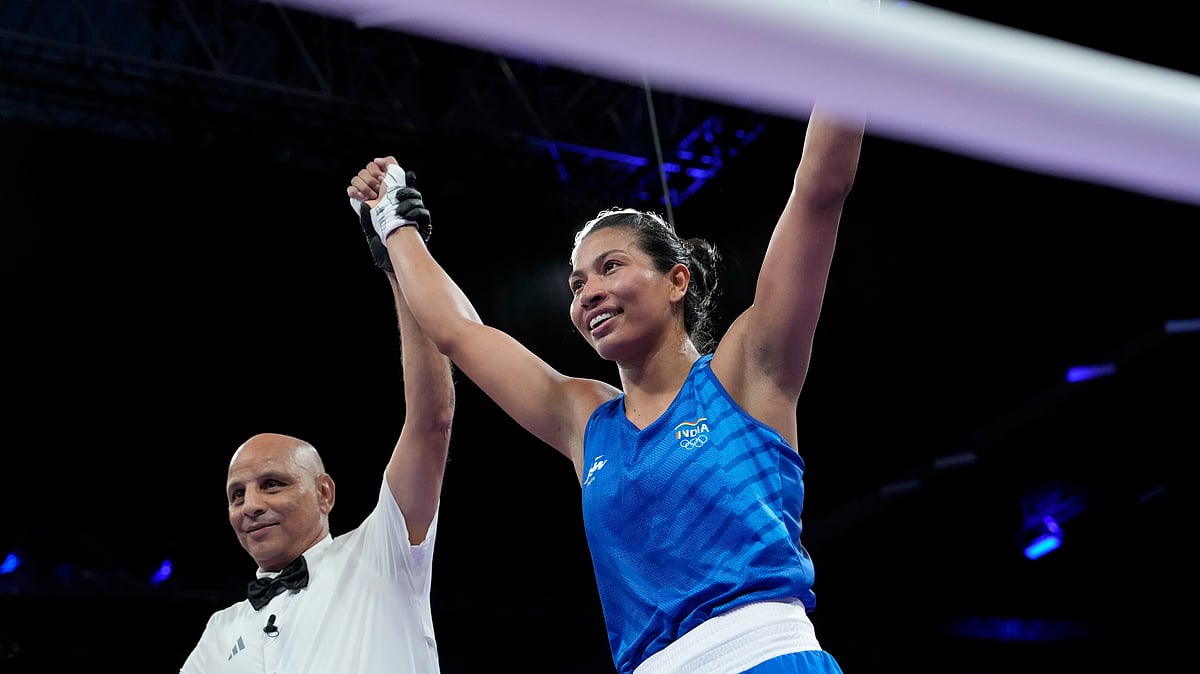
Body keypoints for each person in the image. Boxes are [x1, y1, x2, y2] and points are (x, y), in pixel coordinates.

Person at [349, 90, 863, 672]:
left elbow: (820, 191)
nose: (588, 291)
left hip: (764, 656)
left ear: (676, 281)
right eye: (575, 283)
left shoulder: (748, 371)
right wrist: (393, 219)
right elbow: (458, 332)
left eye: (610, 266)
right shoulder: (585, 419)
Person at [179, 192, 456, 673]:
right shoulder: (220, 633)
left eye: (273, 483)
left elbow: (430, 422)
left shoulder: (381, 553)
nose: (251, 506)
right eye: (236, 495)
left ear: (324, 492)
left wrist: (399, 257)